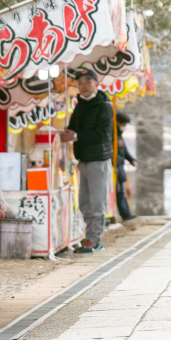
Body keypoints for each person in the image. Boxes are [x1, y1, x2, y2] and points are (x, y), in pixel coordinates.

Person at [61, 69, 113, 254]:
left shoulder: (105, 105)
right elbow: (73, 128)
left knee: (97, 202)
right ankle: (89, 237)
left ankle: (95, 240)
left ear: (96, 84)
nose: (83, 86)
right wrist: (65, 133)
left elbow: (101, 135)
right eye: (80, 83)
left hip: (99, 160)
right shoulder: (81, 104)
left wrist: (75, 135)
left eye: (87, 82)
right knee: (84, 202)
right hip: (83, 159)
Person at [115, 112, 137, 221]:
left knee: (121, 191)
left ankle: (126, 212)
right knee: (119, 191)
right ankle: (124, 213)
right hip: (115, 167)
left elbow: (124, 151)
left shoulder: (119, 135)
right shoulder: (113, 134)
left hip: (120, 166)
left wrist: (132, 159)